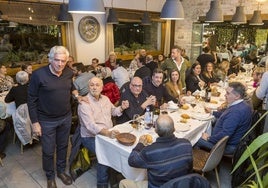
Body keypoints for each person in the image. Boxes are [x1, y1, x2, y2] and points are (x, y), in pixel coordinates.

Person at [28, 46, 82, 188]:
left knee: (64, 146)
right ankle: (50, 176)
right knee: (48, 150)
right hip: (46, 121)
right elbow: (31, 99)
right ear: (50, 59)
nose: (60, 64)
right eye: (57, 60)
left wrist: (76, 95)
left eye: (63, 61)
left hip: (65, 117)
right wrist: (35, 122)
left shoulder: (68, 72)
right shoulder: (38, 75)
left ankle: (60, 171)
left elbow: (70, 86)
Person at [78, 76, 129, 188]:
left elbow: (114, 111)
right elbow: (91, 126)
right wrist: (107, 133)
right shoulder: (84, 103)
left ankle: (115, 176)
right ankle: (102, 184)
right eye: (92, 85)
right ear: (88, 87)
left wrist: (122, 108)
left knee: (120, 148)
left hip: (107, 133)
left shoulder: (105, 99)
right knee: (104, 153)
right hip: (90, 137)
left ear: (102, 87)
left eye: (97, 85)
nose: (94, 87)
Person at [119, 115, 193, 188]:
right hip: (181, 184)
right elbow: (189, 170)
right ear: (174, 128)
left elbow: (132, 160)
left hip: (159, 186)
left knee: (123, 183)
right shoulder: (186, 144)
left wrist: (140, 144)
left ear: (156, 130)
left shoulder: (150, 151)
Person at [195, 82, 252, 155]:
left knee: (195, 139)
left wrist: (209, 138)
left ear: (237, 96)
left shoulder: (236, 112)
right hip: (234, 141)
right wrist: (212, 112)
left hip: (227, 146)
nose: (225, 95)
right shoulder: (243, 104)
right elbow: (226, 115)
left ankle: (203, 161)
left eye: (228, 93)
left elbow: (225, 134)